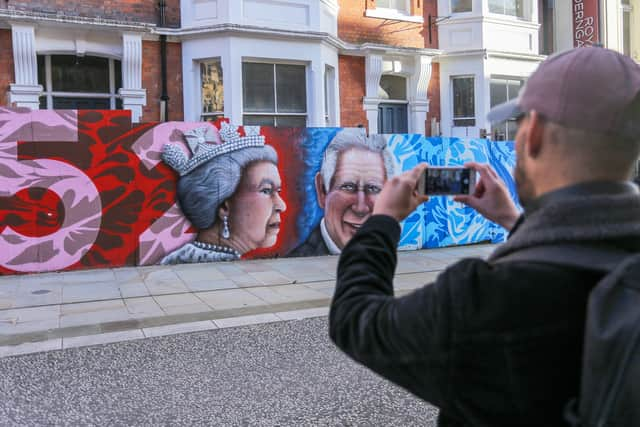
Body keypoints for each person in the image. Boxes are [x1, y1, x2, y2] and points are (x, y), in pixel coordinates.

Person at [329, 46, 640, 426]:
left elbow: (355, 319)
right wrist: (515, 221)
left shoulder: (487, 300)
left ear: (534, 134)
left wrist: (383, 221)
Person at [160, 123, 286, 264]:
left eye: (278, 191)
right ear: (224, 207)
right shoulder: (183, 264)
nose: (282, 205)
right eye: (266, 190)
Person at [287, 129, 394, 257]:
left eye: (373, 188)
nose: (360, 208)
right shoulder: (301, 258)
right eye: (348, 187)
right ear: (322, 190)